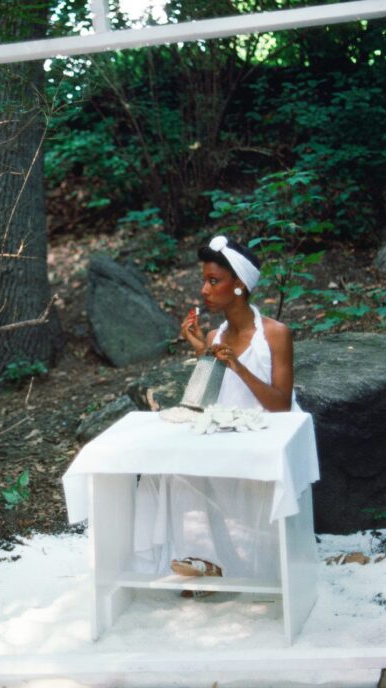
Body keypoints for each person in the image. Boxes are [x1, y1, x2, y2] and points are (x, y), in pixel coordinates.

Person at [132, 234, 300, 586]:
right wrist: (200, 348)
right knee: (169, 468)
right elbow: (215, 386)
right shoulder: (214, 337)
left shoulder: (275, 334)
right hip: (223, 432)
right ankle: (201, 558)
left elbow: (282, 407)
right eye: (204, 280)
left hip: (265, 438)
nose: (204, 290)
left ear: (239, 285)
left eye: (213, 281)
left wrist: (239, 365)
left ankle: (230, 562)